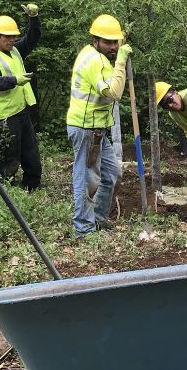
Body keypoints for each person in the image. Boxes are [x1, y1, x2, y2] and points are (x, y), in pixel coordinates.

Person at [66, 14, 132, 238]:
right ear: (96, 41)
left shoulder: (97, 57)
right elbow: (114, 92)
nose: (113, 46)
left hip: (97, 129)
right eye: (108, 42)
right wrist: (121, 61)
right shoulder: (95, 61)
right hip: (86, 128)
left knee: (112, 173)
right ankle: (84, 229)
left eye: (116, 42)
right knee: (86, 178)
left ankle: (99, 218)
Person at [0, 4, 42, 191]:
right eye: (6, 36)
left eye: (13, 36)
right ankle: (6, 192)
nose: (11, 39)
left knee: (31, 154)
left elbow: (32, 38)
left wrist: (34, 18)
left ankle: (32, 187)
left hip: (20, 111)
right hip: (3, 117)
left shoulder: (15, 50)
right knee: (8, 158)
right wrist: (14, 80)